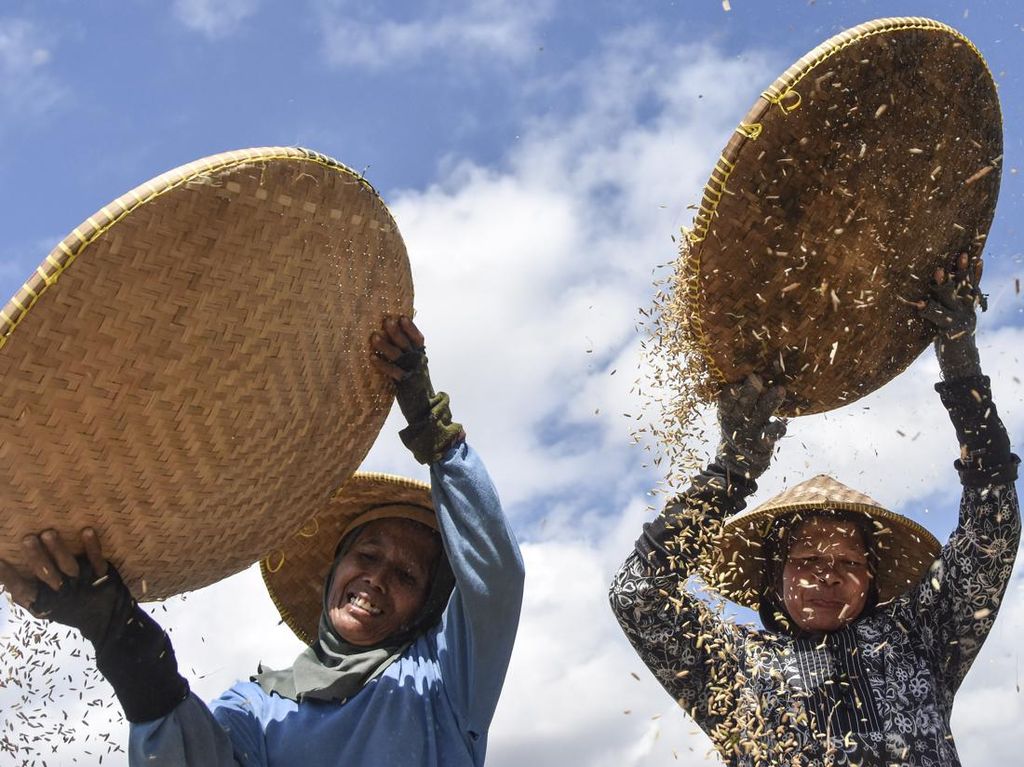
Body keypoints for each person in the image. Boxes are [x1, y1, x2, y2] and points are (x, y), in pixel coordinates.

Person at [0, 316, 525, 767]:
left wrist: (432, 429)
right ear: (335, 569)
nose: (377, 577)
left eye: (407, 575)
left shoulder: (442, 682)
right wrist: (121, 638)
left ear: (426, 607)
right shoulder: (256, 707)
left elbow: (496, 580)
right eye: (366, 555)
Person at [609, 255, 1020, 766]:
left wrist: (962, 368)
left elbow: (991, 531)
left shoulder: (920, 637)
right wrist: (730, 473)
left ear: (871, 578)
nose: (828, 576)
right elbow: (637, 594)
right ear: (774, 576)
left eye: (849, 562)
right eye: (806, 561)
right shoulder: (735, 666)